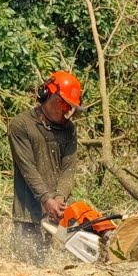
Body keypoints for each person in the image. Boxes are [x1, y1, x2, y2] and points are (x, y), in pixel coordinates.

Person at [9, 70, 82, 263]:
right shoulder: (21, 125)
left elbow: (69, 167)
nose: (66, 110)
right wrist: (46, 199)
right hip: (28, 212)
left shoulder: (69, 129)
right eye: (63, 103)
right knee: (26, 269)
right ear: (48, 95)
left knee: (52, 267)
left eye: (70, 106)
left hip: (56, 212)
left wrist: (59, 198)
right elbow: (27, 168)